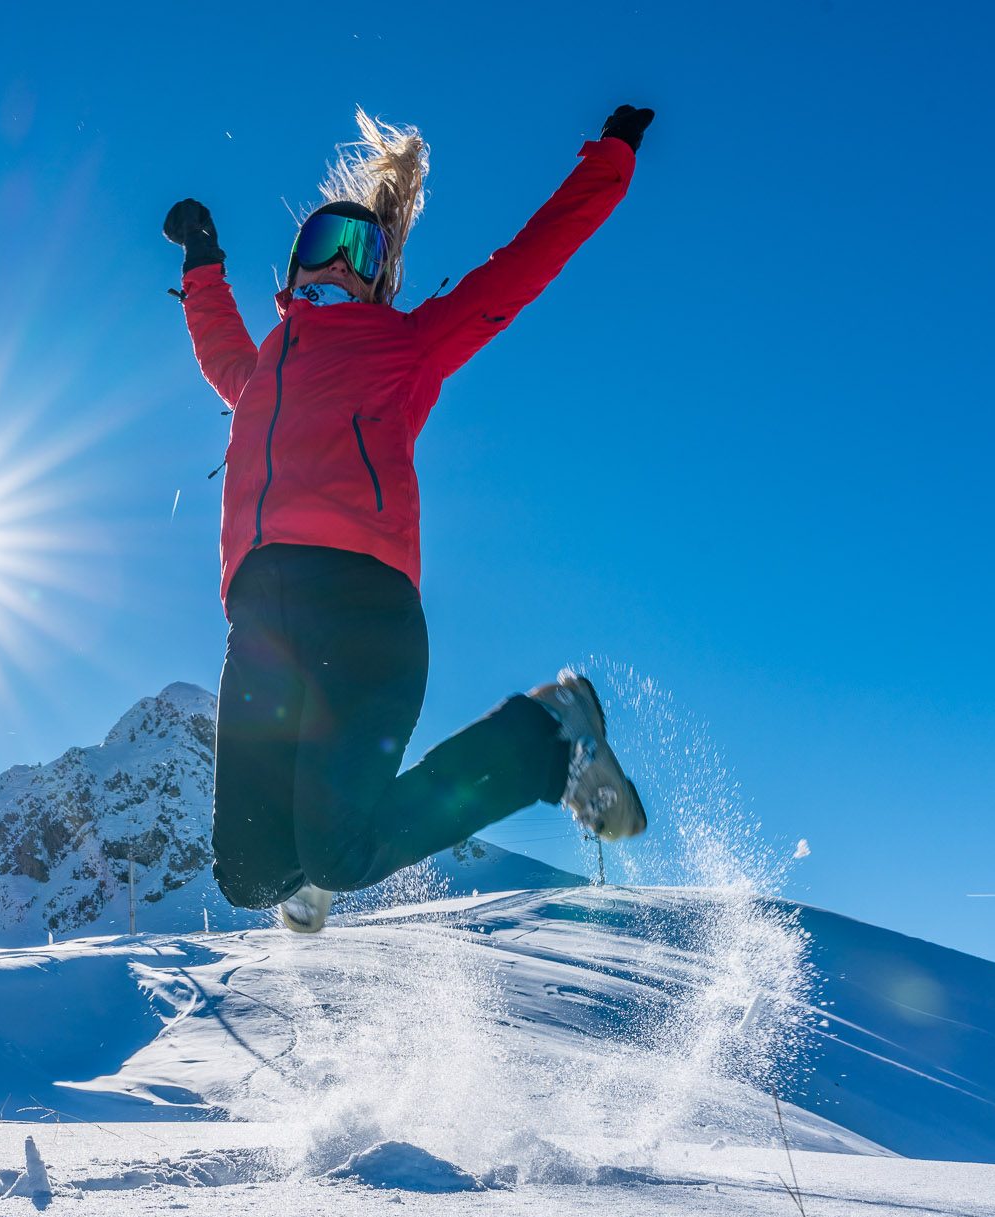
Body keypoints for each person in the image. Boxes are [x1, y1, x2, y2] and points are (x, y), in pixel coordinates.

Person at [164, 105, 655, 933]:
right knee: (249, 876)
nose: (336, 263)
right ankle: (314, 862)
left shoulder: (407, 347)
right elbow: (218, 344)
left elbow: (523, 265)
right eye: (320, 243)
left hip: (364, 612)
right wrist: (205, 260)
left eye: (361, 252)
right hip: (259, 628)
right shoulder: (261, 372)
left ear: (381, 280)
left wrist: (608, 162)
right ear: (292, 272)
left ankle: (545, 736)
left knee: (338, 856)